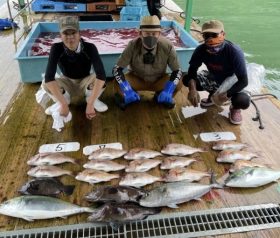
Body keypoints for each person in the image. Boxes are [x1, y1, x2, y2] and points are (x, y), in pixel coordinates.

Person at [183, 20, 250, 125]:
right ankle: (212, 96)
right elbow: (192, 71)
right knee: (187, 79)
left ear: (223, 34)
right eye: (206, 36)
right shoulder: (200, 50)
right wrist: (192, 89)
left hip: (232, 81)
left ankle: (235, 108)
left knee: (243, 100)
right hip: (214, 78)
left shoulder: (234, 51)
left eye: (214, 35)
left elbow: (244, 81)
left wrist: (227, 94)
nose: (210, 39)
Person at [41, 16, 107, 120]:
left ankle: (92, 100)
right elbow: (49, 77)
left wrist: (89, 105)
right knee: (45, 83)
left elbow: (101, 75)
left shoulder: (90, 47)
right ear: (60, 35)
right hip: (67, 81)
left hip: (85, 81)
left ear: (79, 33)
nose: (70, 37)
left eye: (73, 33)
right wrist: (63, 104)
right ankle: (62, 101)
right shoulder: (56, 49)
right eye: (66, 33)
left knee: (99, 78)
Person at [112, 15, 182, 109]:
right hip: (137, 79)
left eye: (154, 33)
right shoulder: (132, 44)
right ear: (140, 33)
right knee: (117, 83)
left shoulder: (167, 46)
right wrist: (126, 89)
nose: (151, 36)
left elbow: (177, 71)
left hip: (158, 80)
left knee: (179, 83)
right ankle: (128, 94)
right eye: (147, 33)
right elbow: (117, 69)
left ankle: (161, 95)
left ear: (159, 34)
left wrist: (168, 90)